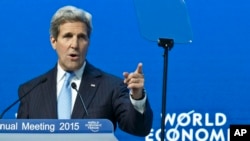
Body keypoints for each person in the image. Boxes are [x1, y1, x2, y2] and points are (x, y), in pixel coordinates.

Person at [17, 5, 153, 136]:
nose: (74, 45)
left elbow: (139, 129)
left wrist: (137, 97)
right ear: (53, 41)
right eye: (67, 36)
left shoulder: (111, 87)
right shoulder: (31, 91)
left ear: (88, 42)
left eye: (81, 37)